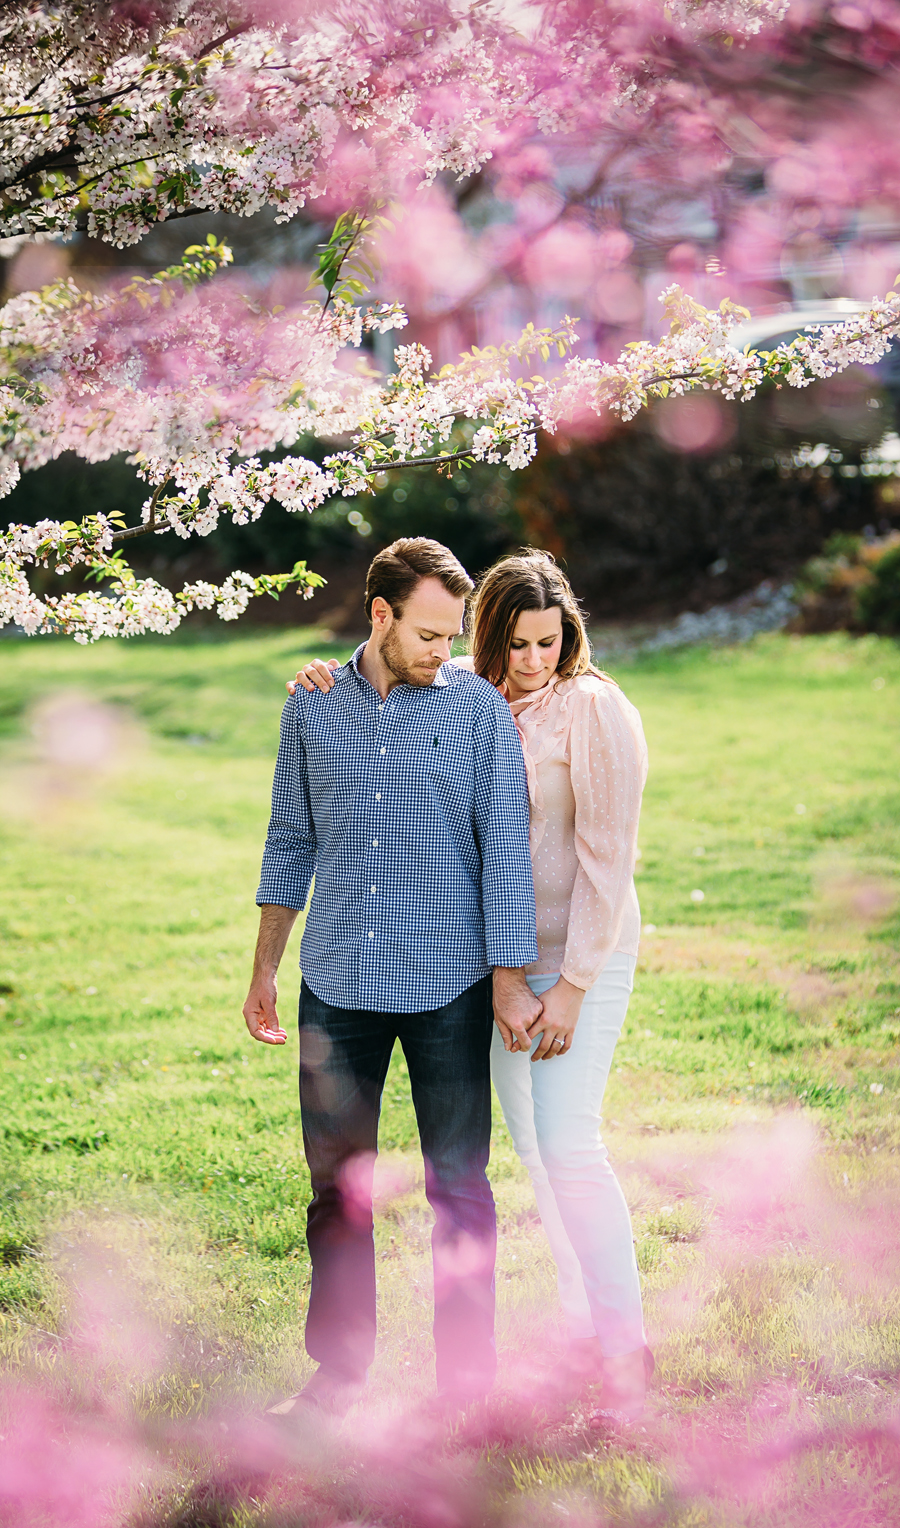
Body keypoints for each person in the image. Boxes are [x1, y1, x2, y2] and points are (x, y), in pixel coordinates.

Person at [293, 549, 651, 1417]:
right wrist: (321, 680)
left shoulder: (593, 708)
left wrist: (566, 988)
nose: (534, 660)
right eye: (517, 644)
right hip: (498, 963)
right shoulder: (472, 700)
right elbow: (393, 663)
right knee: (531, 1152)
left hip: (577, 958)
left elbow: (610, 860)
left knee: (569, 1146)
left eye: (549, 641)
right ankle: (574, 1328)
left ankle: (625, 1348)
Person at [243, 536, 542, 1419]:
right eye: (428, 635)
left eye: (452, 636)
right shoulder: (313, 706)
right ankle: (336, 1374)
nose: (443, 652)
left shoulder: (480, 715)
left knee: (460, 1185)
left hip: (448, 987)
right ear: (380, 616)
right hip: (335, 984)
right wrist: (265, 964)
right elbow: (288, 836)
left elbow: (507, 860)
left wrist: (507, 978)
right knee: (336, 1189)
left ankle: (467, 1386)